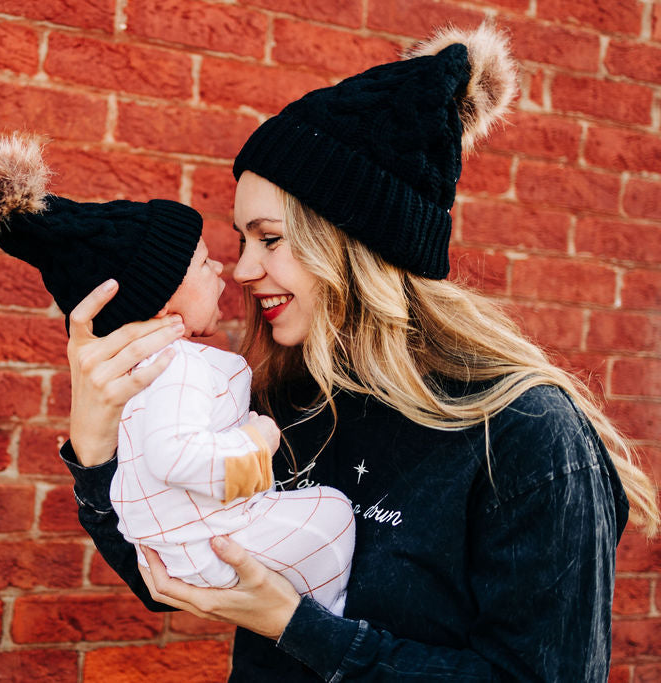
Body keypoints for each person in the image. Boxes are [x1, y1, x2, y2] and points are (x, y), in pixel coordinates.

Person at [57, 23, 661, 682]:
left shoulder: (526, 436)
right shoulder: (291, 398)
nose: (242, 269)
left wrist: (299, 626)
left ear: (355, 246)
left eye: (269, 238)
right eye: (240, 240)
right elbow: (175, 571)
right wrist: (94, 447)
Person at [0, 135, 355, 611]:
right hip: (217, 549)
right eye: (202, 262)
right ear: (161, 304)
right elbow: (176, 465)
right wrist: (257, 443)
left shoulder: (154, 379)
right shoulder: (180, 371)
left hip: (200, 551)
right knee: (332, 518)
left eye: (270, 238)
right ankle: (334, 614)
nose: (229, 267)